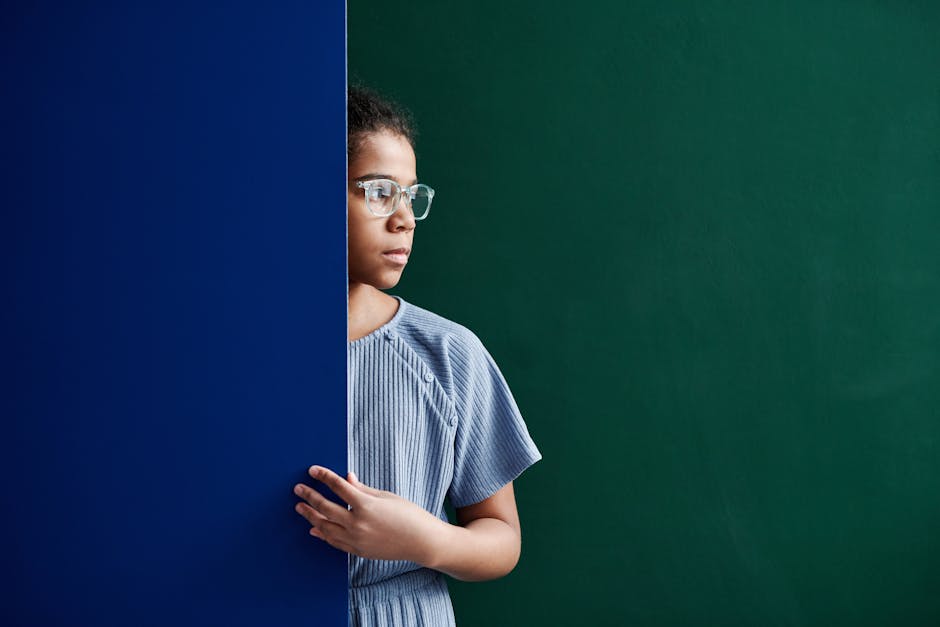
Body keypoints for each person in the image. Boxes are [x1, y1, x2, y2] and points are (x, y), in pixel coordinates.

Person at [293, 85, 541, 626]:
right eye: (380, 192)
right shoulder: (234, 355)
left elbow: (502, 538)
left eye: (410, 195)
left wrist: (424, 538)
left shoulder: (448, 353)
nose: (404, 218)